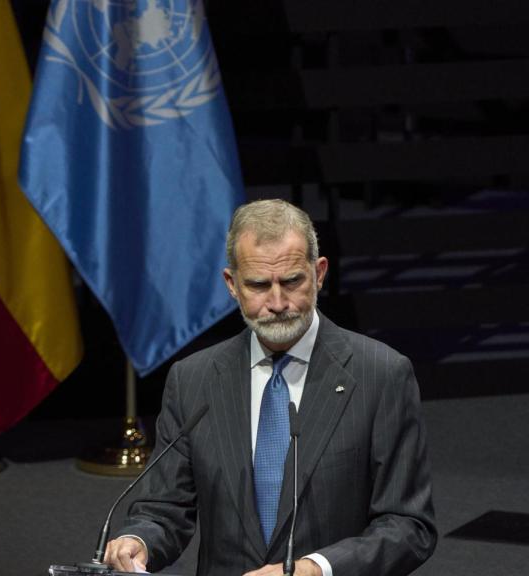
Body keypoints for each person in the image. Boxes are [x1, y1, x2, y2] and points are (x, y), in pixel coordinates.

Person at [104, 199, 436, 576]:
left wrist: (316, 569)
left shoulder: (381, 374)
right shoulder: (192, 379)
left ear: (319, 272)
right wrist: (140, 540)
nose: (277, 302)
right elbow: (163, 508)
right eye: (259, 285)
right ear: (231, 284)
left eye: (292, 281)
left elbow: (409, 526)